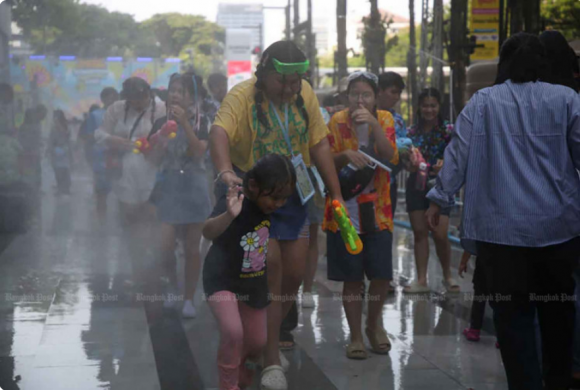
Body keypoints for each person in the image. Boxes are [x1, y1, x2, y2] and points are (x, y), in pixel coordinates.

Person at [425, 32, 580, 390]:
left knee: (513, 322)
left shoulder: (482, 103)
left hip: (501, 238)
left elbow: (457, 155)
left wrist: (440, 198)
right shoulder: (567, 100)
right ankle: (557, 382)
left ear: (504, 65)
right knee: (558, 314)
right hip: (557, 235)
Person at [210, 40, 343, 390]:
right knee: (271, 271)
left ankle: (260, 339)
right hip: (257, 200)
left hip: (293, 195)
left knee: (294, 275)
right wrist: (225, 172)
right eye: (284, 82)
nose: (290, 88)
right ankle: (270, 357)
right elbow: (219, 131)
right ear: (264, 73)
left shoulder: (306, 95)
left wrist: (336, 191)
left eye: (296, 81)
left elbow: (319, 143)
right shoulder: (241, 96)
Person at [202, 154, 296, 390]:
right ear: (254, 186)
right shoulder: (235, 197)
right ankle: (228, 384)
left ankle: (242, 372)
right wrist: (228, 215)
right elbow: (207, 231)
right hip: (221, 278)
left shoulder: (268, 202)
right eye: (274, 198)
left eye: (284, 199)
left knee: (257, 342)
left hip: (253, 283)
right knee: (233, 331)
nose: (278, 204)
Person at [322, 71, 398, 359]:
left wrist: (375, 126)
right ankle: (354, 335)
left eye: (366, 94)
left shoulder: (386, 119)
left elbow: (390, 155)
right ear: (347, 97)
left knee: (381, 275)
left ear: (375, 97)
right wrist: (345, 156)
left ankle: (373, 324)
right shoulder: (337, 121)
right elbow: (325, 158)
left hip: (379, 211)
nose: (360, 100)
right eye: (355, 94)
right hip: (345, 212)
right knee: (352, 278)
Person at [149, 73, 212, 318]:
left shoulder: (202, 121)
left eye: (180, 91)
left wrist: (185, 123)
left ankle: (188, 299)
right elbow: (152, 160)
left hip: (194, 187)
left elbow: (199, 153)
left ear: (190, 97)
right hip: (169, 188)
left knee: (192, 248)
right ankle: (172, 287)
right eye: (172, 90)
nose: (174, 95)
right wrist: (159, 141)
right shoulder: (159, 123)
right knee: (165, 246)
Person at [403, 88, 458, 294]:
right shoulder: (410, 134)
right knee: (419, 233)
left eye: (433, 105)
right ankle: (421, 279)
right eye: (425, 105)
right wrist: (411, 164)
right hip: (416, 186)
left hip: (442, 187)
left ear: (439, 106)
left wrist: (445, 165)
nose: (429, 110)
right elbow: (405, 163)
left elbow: (457, 158)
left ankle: (447, 275)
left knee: (440, 233)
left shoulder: (449, 131)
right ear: (419, 107)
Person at [95, 77, 165, 224]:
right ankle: (132, 245)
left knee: (150, 214)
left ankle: (151, 244)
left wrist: (155, 143)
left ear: (148, 93)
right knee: (129, 215)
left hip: (152, 166)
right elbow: (100, 134)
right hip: (125, 167)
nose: (138, 102)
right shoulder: (117, 108)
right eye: (134, 99)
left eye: (142, 98)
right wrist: (113, 140)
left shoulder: (161, 108)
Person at [377, 72, 413, 217]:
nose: (396, 98)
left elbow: (404, 150)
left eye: (399, 93)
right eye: (393, 92)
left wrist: (409, 157)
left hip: (389, 183)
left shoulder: (397, 120)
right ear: (379, 91)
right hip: (365, 183)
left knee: (385, 229)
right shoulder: (364, 116)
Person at [87, 87, 119, 216]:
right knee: (101, 193)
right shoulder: (95, 115)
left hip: (118, 158)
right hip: (101, 160)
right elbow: (89, 137)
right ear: (103, 99)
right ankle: (101, 221)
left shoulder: (121, 115)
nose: (112, 100)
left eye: (114, 97)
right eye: (109, 97)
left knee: (121, 193)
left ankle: (121, 222)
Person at [47, 110, 72, 195]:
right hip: (63, 150)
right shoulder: (65, 126)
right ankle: (64, 188)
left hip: (59, 149)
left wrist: (49, 149)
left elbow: (52, 139)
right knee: (63, 169)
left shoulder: (58, 126)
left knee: (60, 170)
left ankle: (62, 188)